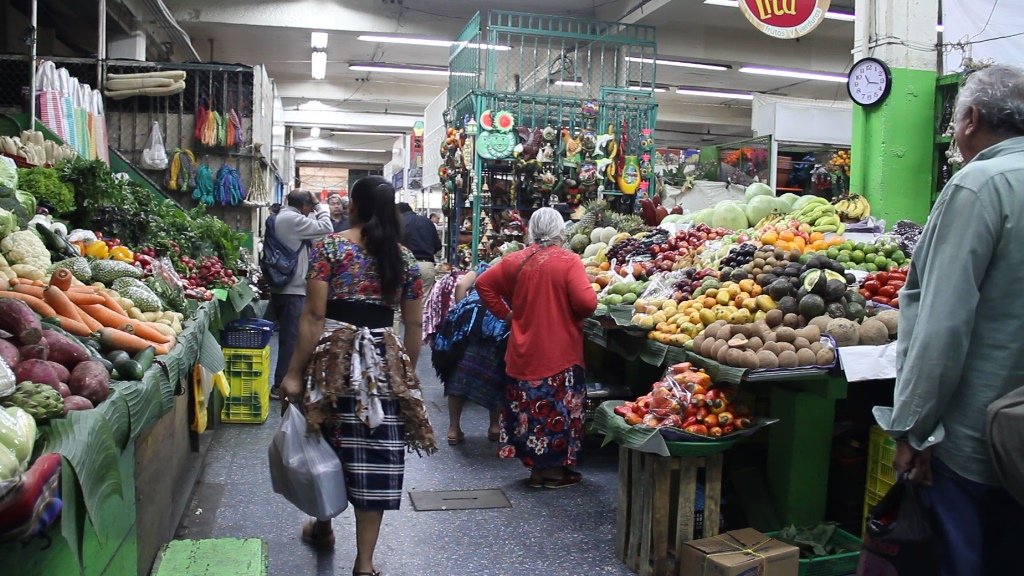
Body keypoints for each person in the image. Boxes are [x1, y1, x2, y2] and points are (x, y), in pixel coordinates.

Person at [873, 65, 1024, 575]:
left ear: (971, 119)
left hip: (977, 442)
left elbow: (942, 325)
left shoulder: (980, 185)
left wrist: (911, 430)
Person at [280, 176, 436, 575]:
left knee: (325, 443)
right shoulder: (405, 260)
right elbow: (414, 328)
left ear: (352, 205)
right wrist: (405, 374)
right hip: (383, 364)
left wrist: (294, 373)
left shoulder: (328, 248)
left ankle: (323, 526)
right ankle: (364, 565)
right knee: (375, 456)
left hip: (333, 361)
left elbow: (314, 317)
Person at [476, 207, 597, 488]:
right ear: (560, 231)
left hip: (522, 350)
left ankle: (537, 471)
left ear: (531, 231)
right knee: (557, 411)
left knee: (529, 412)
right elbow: (587, 304)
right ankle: (553, 474)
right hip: (559, 352)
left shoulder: (514, 260)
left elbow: (483, 284)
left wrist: (507, 314)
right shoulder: (568, 261)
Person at [431, 246, 522, 446]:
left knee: (457, 374)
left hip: (468, 321)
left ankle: (453, 429)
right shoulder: (516, 271)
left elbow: (460, 286)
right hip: (497, 323)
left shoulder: (483, 267)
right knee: (497, 372)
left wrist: (463, 308)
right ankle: (494, 427)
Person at [269, 190, 333, 396]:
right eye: (310, 206)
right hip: (292, 289)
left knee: (290, 336)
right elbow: (327, 228)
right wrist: (320, 206)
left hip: (286, 287)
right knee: (292, 338)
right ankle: (280, 385)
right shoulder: (292, 219)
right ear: (305, 206)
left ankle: (283, 381)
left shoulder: (284, 216)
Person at [397, 203, 442, 297]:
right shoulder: (427, 222)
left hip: (405, 265)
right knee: (424, 304)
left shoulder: (399, 223)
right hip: (426, 265)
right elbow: (438, 246)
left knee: (403, 303)